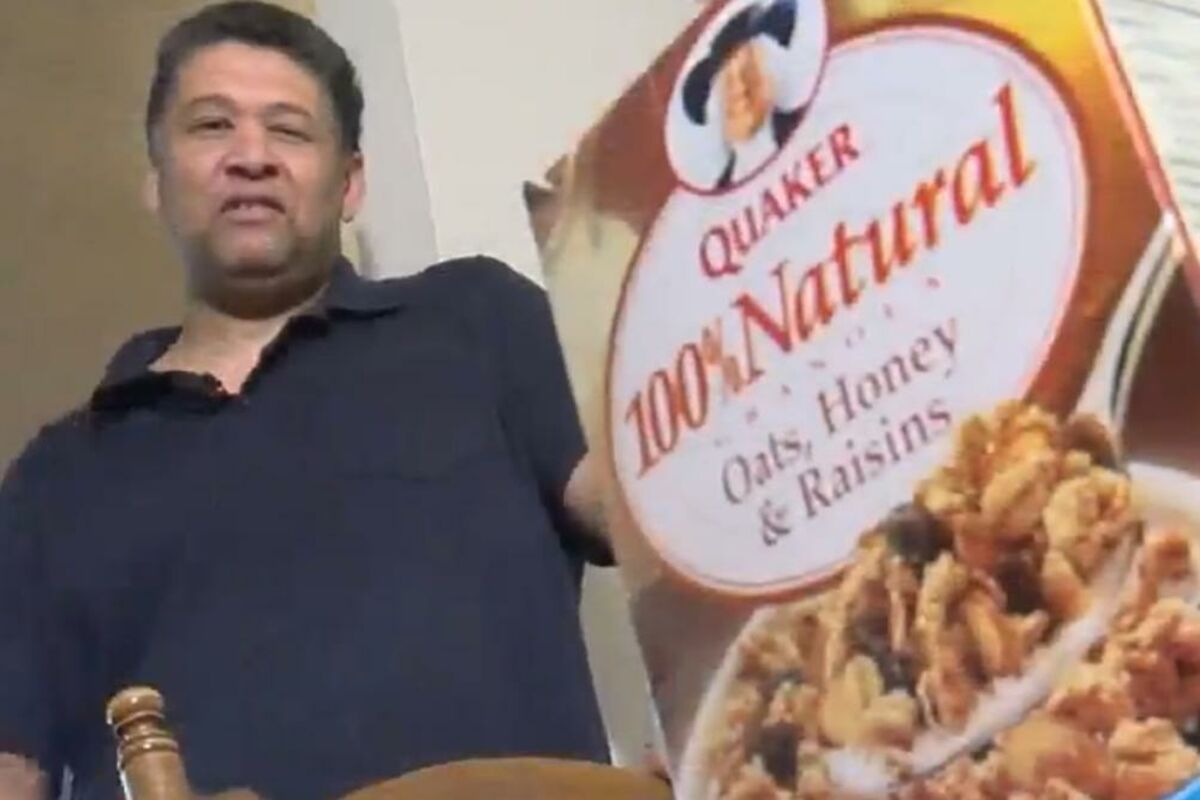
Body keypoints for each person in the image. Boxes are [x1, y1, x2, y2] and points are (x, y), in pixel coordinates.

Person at [0, 3, 615, 798]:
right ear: (157, 180)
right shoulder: (57, 476)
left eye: (289, 131)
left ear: (350, 183)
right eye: (212, 125)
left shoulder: (479, 322)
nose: (251, 157)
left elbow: (658, 523)